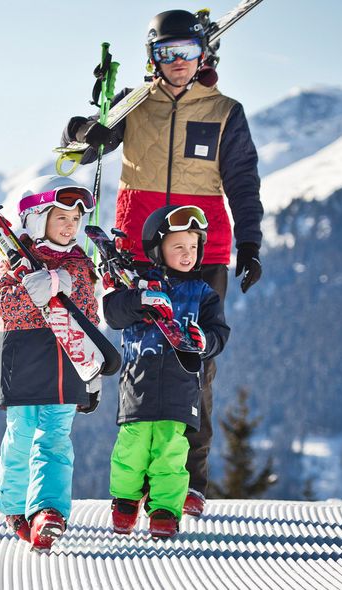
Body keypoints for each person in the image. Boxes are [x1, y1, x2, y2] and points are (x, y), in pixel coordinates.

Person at [61, 9, 263, 516]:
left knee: (196, 364)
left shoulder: (224, 111)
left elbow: (242, 181)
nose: (177, 63)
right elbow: (82, 151)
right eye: (166, 53)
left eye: (188, 53)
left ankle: (187, 481)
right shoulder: (135, 103)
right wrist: (86, 126)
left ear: (204, 57)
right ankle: (138, 478)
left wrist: (251, 243)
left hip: (201, 251)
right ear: (152, 58)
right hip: (136, 249)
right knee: (140, 360)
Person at [101, 205, 229, 538]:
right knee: (132, 446)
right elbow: (113, 313)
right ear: (159, 249)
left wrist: (205, 340)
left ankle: (165, 509)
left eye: (193, 247)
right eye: (178, 247)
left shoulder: (203, 294)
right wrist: (139, 300)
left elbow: (219, 333)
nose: (188, 254)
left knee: (171, 450)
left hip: (181, 385)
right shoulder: (138, 284)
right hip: (137, 384)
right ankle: (126, 501)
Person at [0, 175, 100, 553]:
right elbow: (5, 306)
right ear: (37, 219)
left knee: (54, 439)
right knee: (21, 435)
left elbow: (89, 314)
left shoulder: (81, 263)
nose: (70, 227)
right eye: (61, 218)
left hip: (68, 366)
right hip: (24, 361)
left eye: (75, 219)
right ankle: (14, 506)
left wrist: (94, 372)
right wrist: (35, 289)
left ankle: (49, 510)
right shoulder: (16, 259)